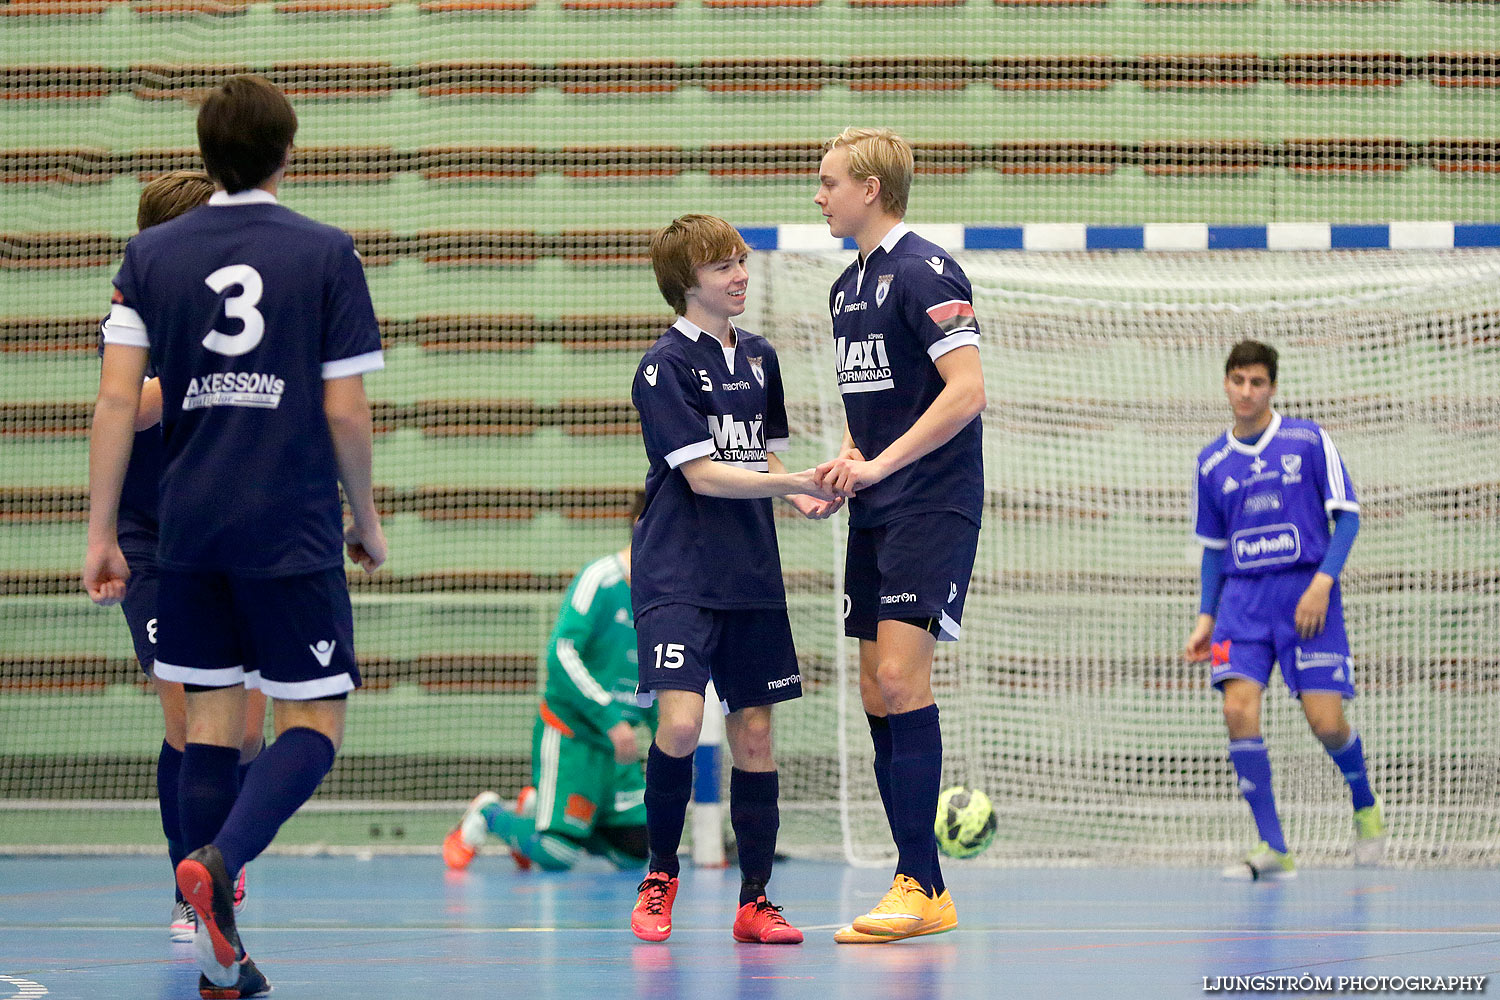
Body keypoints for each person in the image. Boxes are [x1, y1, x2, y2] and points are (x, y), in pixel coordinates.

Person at [84, 75, 387, 999]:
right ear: (287, 150)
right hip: (286, 523)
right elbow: (344, 410)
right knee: (312, 722)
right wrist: (364, 520)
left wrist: (101, 532)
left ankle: (221, 954)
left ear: (205, 153)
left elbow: (112, 399)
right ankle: (218, 865)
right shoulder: (325, 252)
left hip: (185, 526)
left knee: (211, 727)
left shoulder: (149, 256)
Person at [628, 213, 839, 945]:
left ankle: (756, 901)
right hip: (679, 572)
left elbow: (764, 460)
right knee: (683, 726)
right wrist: (789, 483)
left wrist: (806, 490)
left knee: (755, 735)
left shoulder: (761, 357)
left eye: (741, 261)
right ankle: (660, 875)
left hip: (752, 574)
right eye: (724, 267)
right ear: (688, 285)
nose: (741, 275)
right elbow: (705, 477)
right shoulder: (664, 367)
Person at [812, 127, 986, 943]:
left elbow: (965, 392)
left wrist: (883, 467)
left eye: (829, 182)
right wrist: (847, 469)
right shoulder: (847, 288)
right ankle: (928, 885)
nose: (819, 195)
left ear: (871, 188)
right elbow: (874, 417)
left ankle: (915, 882)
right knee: (875, 689)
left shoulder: (925, 269)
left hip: (932, 503)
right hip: (880, 506)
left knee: (899, 675)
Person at [107, 168, 270, 945]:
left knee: (245, 730)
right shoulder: (135, 314)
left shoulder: (243, 319)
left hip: (236, 534)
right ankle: (189, 880)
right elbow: (127, 408)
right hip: (154, 541)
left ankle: (223, 854)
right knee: (185, 719)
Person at [1184, 339, 1386, 880]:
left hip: (1306, 602)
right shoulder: (1211, 462)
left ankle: (1364, 802)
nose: (1246, 391)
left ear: (1272, 387)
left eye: (1257, 382)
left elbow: (1347, 517)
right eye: (1238, 380)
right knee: (1235, 710)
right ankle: (1274, 847)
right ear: (1226, 384)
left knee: (1326, 722)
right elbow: (1214, 548)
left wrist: (1322, 583)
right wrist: (1206, 616)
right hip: (1240, 607)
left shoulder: (1307, 439)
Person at [443, 493, 655, 873]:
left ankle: (541, 811)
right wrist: (610, 718)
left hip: (620, 750)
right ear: (641, 524)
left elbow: (660, 670)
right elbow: (561, 653)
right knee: (559, 855)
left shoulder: (666, 592)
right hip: (574, 735)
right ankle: (490, 814)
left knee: (636, 854)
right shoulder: (600, 580)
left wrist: (664, 736)